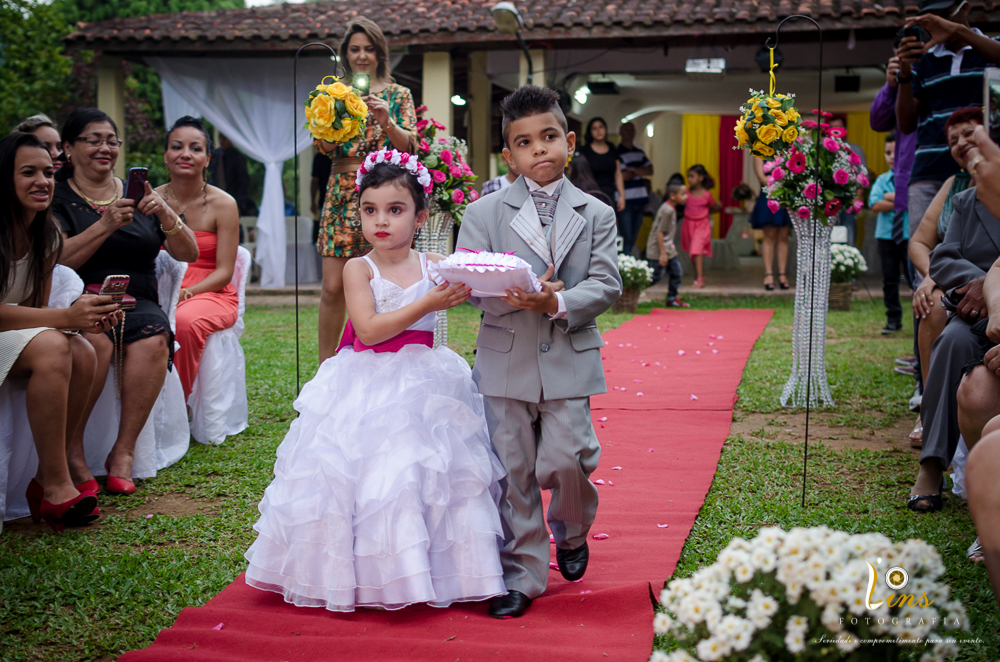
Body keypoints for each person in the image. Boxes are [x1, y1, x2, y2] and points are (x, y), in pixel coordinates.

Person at [244, 149, 505, 612]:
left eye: (395, 210)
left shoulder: (436, 264)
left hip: (427, 378)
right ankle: (364, 575)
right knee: (372, 477)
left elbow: (483, 284)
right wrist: (427, 305)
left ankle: (431, 571)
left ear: (421, 216)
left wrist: (521, 281)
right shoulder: (358, 268)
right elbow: (368, 329)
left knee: (425, 474)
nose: (380, 221)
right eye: (370, 210)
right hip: (366, 379)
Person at [456, 85, 622, 619]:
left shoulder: (596, 213)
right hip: (505, 358)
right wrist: (509, 293)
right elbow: (468, 282)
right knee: (513, 471)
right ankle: (522, 574)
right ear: (509, 155)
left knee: (569, 459)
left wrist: (557, 299)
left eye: (549, 137)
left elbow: (606, 284)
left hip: (569, 355)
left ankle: (572, 530)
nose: (539, 150)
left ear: (569, 141)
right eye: (524, 143)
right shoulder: (483, 213)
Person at [52, 108, 198, 496]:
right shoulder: (59, 195)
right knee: (95, 341)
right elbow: (56, 260)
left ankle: (124, 453)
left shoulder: (138, 194)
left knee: (153, 336)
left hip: (139, 298)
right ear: (68, 148)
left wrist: (166, 212)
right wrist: (104, 225)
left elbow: (190, 252)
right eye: (93, 140)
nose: (105, 148)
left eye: (111, 141)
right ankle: (74, 454)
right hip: (80, 299)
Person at [0, 132, 121, 530]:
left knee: (84, 349)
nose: (43, 182)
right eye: (28, 172)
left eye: (49, 173)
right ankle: (54, 485)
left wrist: (80, 320)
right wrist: (64, 320)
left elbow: (36, 310)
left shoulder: (46, 233)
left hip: (13, 338)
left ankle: (48, 476)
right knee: (56, 343)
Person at [316, 17, 419, 362]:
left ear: (380, 54)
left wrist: (386, 120)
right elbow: (324, 147)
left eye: (369, 49)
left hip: (385, 194)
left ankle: (385, 361)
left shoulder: (399, 93)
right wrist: (338, 112)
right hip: (342, 192)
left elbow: (411, 147)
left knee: (386, 282)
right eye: (355, 49)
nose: (362, 56)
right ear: (345, 54)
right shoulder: (333, 93)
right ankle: (324, 370)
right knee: (332, 288)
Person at [906, 175, 1000, 513]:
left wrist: (994, 286)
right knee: (950, 341)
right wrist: (979, 285)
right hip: (975, 312)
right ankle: (931, 465)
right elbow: (943, 258)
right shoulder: (968, 200)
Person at [908, 108, 983, 444]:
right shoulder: (955, 185)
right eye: (953, 140)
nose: (961, 143)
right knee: (931, 304)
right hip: (953, 279)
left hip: (989, 282)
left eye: (968, 133)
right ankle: (930, 408)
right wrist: (931, 277)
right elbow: (921, 242)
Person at [896, 1, 1000, 230]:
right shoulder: (923, 60)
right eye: (931, 20)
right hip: (929, 171)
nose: (939, 26)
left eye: (943, 16)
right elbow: (905, 124)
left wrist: (958, 30)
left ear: (965, 8)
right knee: (924, 252)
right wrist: (904, 72)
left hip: (984, 167)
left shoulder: (992, 48)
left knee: (985, 249)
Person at [157, 117, 240, 402]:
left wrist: (186, 293)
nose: (185, 154)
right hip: (160, 286)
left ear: (207, 159)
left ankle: (177, 405)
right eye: (177, 147)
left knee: (184, 320)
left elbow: (225, 272)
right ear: (166, 156)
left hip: (211, 291)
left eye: (195, 148)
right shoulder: (152, 200)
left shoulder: (224, 204)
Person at [870, 132, 911, 334]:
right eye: (887, 153)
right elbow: (875, 205)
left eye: (896, 152)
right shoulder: (881, 179)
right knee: (890, 279)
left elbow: (915, 200)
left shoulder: (913, 178)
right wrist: (902, 199)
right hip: (886, 236)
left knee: (914, 279)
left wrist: (889, 197)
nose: (891, 157)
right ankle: (893, 319)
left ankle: (922, 319)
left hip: (910, 235)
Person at [749, 157, 791, 291]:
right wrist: (783, 181)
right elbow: (762, 178)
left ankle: (782, 274)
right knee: (769, 237)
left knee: (783, 238)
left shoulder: (787, 151)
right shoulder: (759, 153)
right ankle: (768, 274)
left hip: (785, 197)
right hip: (769, 197)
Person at [646, 183, 689, 308]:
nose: (686, 197)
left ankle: (671, 299)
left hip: (668, 249)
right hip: (659, 250)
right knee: (655, 276)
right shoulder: (667, 210)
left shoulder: (670, 208)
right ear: (673, 196)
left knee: (676, 273)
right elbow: (660, 233)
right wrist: (663, 254)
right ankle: (629, 291)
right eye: (683, 194)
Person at [828, 116, 867, 247]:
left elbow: (862, 177)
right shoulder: (826, 150)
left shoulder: (856, 150)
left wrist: (856, 200)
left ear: (846, 129)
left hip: (848, 202)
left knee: (849, 239)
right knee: (829, 240)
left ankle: (849, 265)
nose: (836, 131)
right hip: (829, 204)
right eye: (833, 128)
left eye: (839, 128)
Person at [616, 122, 654, 255]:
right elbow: (624, 175)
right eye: (626, 129)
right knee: (626, 237)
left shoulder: (640, 153)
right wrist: (639, 170)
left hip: (640, 201)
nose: (629, 132)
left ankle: (630, 266)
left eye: (631, 129)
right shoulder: (616, 153)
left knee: (634, 238)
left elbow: (650, 170)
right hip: (625, 201)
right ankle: (625, 270)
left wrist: (632, 170)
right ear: (620, 132)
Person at [681, 164, 721, 288]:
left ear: (701, 178)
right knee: (692, 252)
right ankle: (697, 276)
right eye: (688, 176)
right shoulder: (686, 193)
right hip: (688, 224)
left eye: (692, 176)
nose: (689, 179)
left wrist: (705, 214)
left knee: (696, 250)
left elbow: (715, 207)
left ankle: (700, 279)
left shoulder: (707, 195)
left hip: (702, 225)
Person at [576, 117, 626, 215]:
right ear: (590, 132)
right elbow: (577, 174)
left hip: (609, 194)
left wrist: (622, 196)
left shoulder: (612, 148)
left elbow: (618, 174)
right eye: (594, 128)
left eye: (601, 127)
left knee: (610, 226)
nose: (598, 131)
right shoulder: (584, 151)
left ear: (606, 129)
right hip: (590, 194)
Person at [208, 134, 255, 217]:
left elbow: (243, 181)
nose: (222, 141)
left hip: (234, 197)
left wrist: (240, 202)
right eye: (220, 138)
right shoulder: (216, 155)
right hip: (217, 198)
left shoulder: (237, 157)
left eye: (224, 139)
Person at [310, 149, 332, 244]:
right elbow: (315, 181)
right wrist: (313, 202)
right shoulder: (320, 157)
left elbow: (314, 181)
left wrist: (313, 202)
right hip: (324, 201)